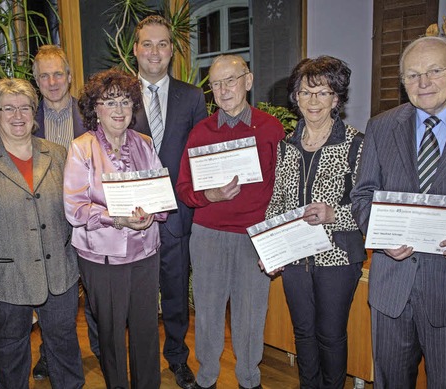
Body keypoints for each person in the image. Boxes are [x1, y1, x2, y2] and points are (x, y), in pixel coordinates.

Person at [351, 36, 446, 388]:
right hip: (392, 286)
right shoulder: (382, 126)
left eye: (434, 71)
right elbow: (363, 194)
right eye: (412, 75)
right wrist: (380, 238)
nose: (423, 82)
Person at [176, 55, 285, 389]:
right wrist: (209, 196)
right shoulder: (200, 132)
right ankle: (207, 377)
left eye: (231, 80)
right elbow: (184, 187)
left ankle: (248, 379)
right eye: (216, 84)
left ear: (248, 81)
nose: (223, 90)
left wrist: (277, 241)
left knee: (251, 313)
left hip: (255, 236)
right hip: (208, 236)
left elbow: (283, 189)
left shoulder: (271, 128)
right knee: (207, 312)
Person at [264, 56, 365, 389]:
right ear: (296, 98)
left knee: (330, 334)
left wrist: (333, 214)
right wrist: (269, 249)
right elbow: (277, 202)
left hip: (337, 257)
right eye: (306, 93)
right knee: (304, 333)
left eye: (322, 93)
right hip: (294, 257)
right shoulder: (287, 147)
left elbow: (370, 207)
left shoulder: (356, 144)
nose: (313, 101)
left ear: (336, 98)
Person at [0, 78, 84, 389]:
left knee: (64, 343)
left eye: (25, 107)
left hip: (59, 270)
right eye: (8, 108)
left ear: (34, 112)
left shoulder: (59, 153)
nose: (18, 115)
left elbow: (74, 206)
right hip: (6, 274)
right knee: (11, 348)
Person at [64, 68, 167, 389]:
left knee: (146, 329)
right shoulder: (81, 148)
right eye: (110, 102)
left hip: (145, 253)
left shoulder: (145, 143)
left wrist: (152, 214)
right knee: (109, 332)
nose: (119, 110)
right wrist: (116, 218)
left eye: (125, 101)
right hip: (102, 258)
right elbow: (75, 208)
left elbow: (161, 197)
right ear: (95, 108)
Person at [131, 15, 208, 389]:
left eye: (163, 44)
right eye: (148, 43)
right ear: (136, 48)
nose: (155, 51)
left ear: (172, 51)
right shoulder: (120, 95)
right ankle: (142, 363)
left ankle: (177, 358)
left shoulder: (192, 96)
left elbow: (199, 156)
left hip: (178, 217)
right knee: (139, 297)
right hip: (134, 218)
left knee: (176, 295)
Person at [31, 44, 97, 380]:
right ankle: (48, 354)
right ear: (36, 81)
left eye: (58, 73)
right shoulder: (25, 119)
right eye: (44, 75)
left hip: (90, 219)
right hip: (46, 221)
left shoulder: (90, 115)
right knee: (50, 293)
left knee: (95, 290)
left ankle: (101, 349)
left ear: (70, 77)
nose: (52, 81)